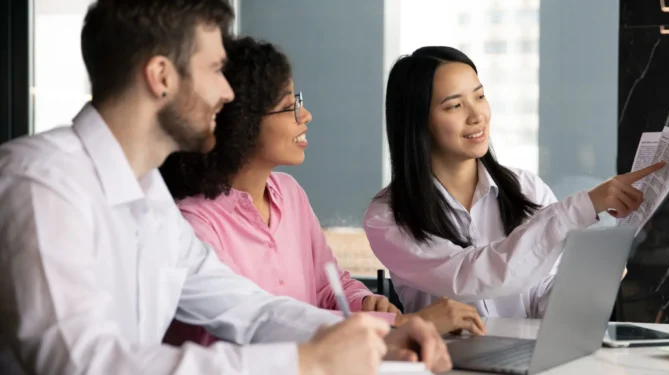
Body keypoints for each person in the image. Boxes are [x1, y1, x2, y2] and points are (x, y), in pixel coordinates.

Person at [0, 2, 451, 374]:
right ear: (161, 76)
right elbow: (80, 365)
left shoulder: (148, 197)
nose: (229, 93)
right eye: (215, 69)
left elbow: (249, 309)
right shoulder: (42, 184)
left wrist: (374, 336)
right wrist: (304, 362)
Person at [158, 35, 485, 346]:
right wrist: (403, 325)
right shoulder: (195, 224)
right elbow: (256, 327)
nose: (306, 115)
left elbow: (331, 285)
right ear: (241, 123)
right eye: (290, 106)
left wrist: (364, 302)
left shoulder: (289, 193)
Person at [363, 46, 663, 319]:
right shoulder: (389, 216)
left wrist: (594, 277)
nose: (477, 115)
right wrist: (584, 205)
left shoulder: (525, 188)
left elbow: (542, 304)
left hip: (523, 358)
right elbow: (473, 278)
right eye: (455, 106)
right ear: (417, 121)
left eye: (479, 96)